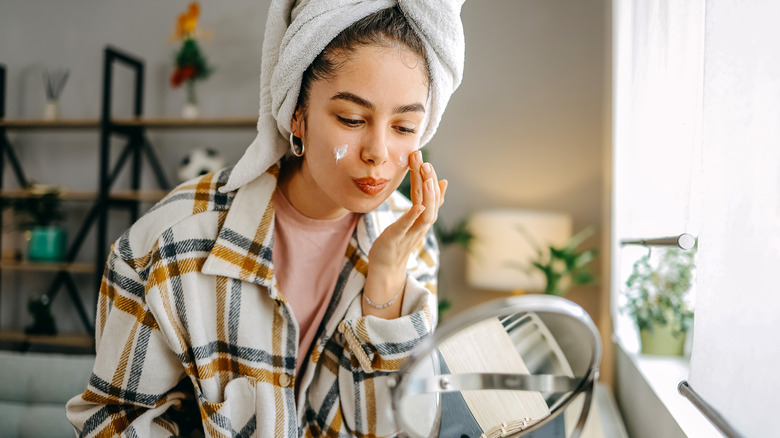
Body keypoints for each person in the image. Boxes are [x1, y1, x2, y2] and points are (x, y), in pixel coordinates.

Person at [66, 0, 465, 436]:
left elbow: (395, 429)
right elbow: (112, 422)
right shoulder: (169, 242)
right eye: (351, 119)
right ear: (298, 114)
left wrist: (386, 279)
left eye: (405, 128)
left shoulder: (412, 245)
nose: (378, 152)